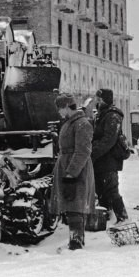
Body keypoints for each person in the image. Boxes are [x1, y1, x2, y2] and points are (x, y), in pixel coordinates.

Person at [50, 93, 96, 250]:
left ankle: (76, 242)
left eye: (59, 108)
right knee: (70, 205)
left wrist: (71, 173)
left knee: (75, 205)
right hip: (69, 167)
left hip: (77, 170)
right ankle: (74, 241)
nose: (59, 112)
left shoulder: (82, 124)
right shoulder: (71, 123)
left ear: (66, 107)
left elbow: (82, 151)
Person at [91, 88, 129, 224]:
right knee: (101, 190)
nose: (97, 101)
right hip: (100, 160)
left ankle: (122, 218)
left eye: (99, 98)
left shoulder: (113, 115)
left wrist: (93, 151)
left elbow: (109, 140)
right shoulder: (101, 114)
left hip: (109, 159)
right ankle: (107, 216)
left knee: (111, 190)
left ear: (104, 100)